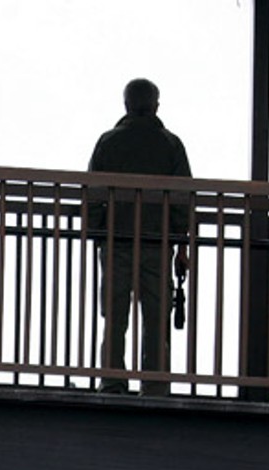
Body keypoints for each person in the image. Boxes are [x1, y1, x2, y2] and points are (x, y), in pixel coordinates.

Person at [87, 78, 192, 396]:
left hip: (117, 239)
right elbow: (182, 198)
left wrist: (98, 230)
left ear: (126, 105)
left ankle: (113, 380)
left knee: (115, 314)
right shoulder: (171, 144)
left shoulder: (108, 142)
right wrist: (181, 244)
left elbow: (93, 193)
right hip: (157, 243)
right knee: (157, 315)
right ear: (156, 105)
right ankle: (155, 383)